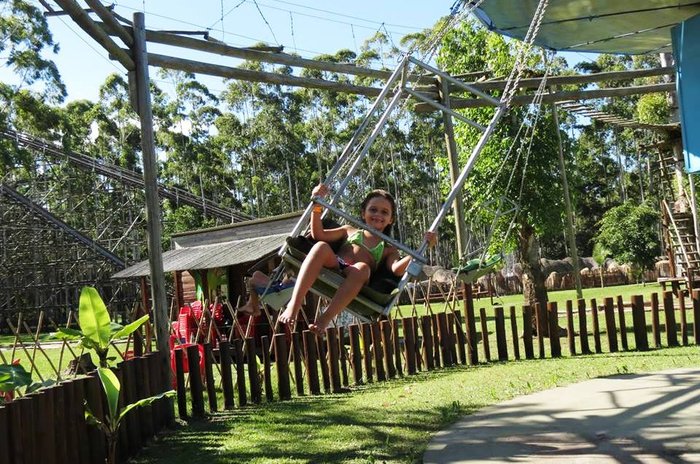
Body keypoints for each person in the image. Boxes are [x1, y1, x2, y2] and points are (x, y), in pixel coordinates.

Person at [278, 183, 437, 335]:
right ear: (363, 213)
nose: (378, 215)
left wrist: (418, 251)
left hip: (356, 275)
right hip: (336, 264)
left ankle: (325, 319)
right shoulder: (350, 230)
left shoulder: (389, 248)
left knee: (362, 268)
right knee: (320, 246)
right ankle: (294, 304)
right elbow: (318, 234)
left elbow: (396, 269)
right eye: (373, 210)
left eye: (384, 212)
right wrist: (317, 205)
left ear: (391, 219)